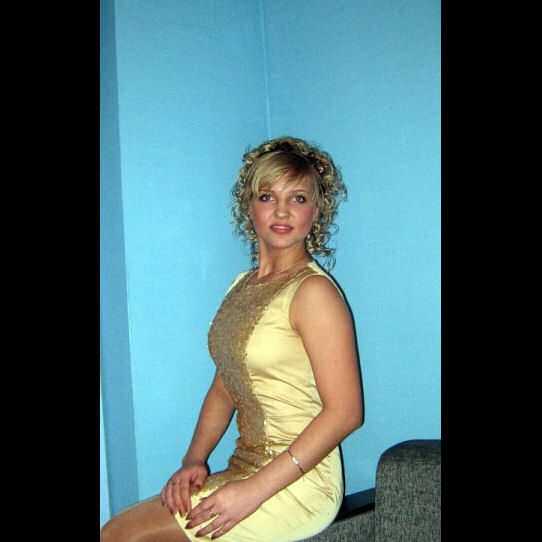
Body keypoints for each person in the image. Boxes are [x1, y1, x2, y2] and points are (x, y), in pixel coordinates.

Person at [100, 136, 363, 541]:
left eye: (297, 198)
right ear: (249, 205)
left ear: (315, 211)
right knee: (118, 531)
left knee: (121, 535)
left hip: (299, 484)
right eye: (267, 196)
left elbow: (345, 413)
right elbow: (225, 384)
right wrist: (194, 459)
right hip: (247, 467)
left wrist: (251, 492)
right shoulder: (242, 285)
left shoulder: (314, 293)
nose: (281, 211)